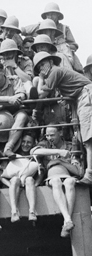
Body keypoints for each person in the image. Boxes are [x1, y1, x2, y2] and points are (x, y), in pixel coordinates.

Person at [34, 51, 92, 185]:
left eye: (43, 64)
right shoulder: (56, 72)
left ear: (51, 62)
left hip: (86, 95)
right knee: (86, 137)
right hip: (83, 96)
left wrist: (40, 78)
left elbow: (41, 94)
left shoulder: (55, 71)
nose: (42, 68)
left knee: (88, 137)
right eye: (39, 68)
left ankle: (89, 173)